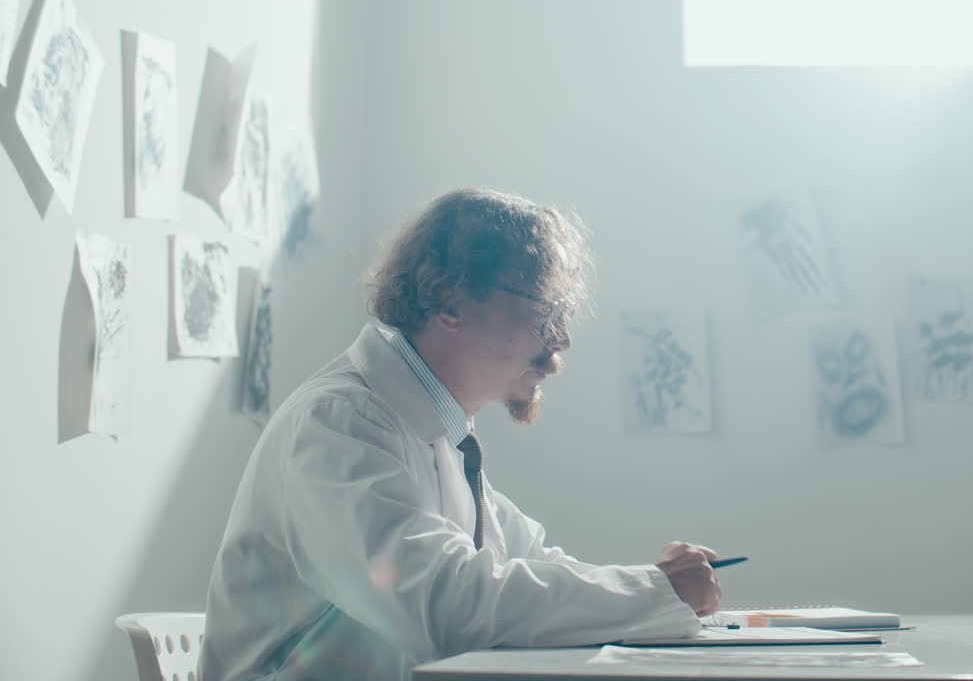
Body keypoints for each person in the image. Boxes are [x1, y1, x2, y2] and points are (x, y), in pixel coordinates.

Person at [199, 189, 723, 681]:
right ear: (451, 301)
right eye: (549, 310)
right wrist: (651, 591)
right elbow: (443, 606)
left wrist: (657, 589)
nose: (561, 338)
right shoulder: (339, 424)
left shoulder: (436, 435)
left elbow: (527, 567)